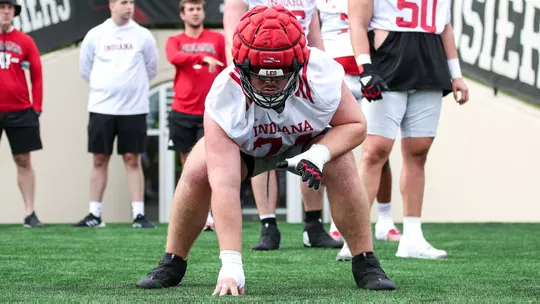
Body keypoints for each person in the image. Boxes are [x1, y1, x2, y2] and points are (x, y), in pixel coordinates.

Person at [136, 5, 396, 295]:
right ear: (241, 65)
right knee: (198, 170)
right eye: (260, 75)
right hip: (247, 148)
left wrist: (317, 155)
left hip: (306, 140)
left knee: (341, 162)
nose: (270, 83)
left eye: (279, 74)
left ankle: (365, 260)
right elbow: (224, 184)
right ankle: (173, 259)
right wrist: (231, 263)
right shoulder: (225, 94)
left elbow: (355, 124)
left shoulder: (320, 72)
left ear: (300, 64)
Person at [348, 0, 469, 259]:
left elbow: (443, 24)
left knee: (418, 152)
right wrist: (365, 67)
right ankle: (354, 237)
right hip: (388, 64)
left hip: (428, 63)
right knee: (374, 152)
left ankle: (412, 237)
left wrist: (456, 73)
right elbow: (357, 20)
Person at [223, 0, 342, 251]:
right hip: (259, 78)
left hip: (299, 79)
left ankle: (313, 224)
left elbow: (315, 40)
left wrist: (322, 80)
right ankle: (268, 225)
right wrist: (243, 85)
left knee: (313, 148)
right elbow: (232, 41)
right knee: (262, 145)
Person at [315, 0, 402, 261]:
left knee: (376, 150)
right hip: (332, 71)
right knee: (334, 151)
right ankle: (336, 223)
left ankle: (385, 219)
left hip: (369, 69)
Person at [74, 0, 159, 228]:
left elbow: (152, 68)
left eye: (131, 2)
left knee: (133, 159)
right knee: (99, 158)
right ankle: (94, 214)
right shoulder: (96, 35)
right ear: (112, 5)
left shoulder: (143, 36)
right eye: (123, 2)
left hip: (134, 109)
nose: (128, 6)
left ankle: (138, 215)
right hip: (102, 108)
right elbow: (85, 69)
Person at [165, 0, 226, 231]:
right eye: (190, 9)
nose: (195, 13)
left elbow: (225, 70)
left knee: (210, 164)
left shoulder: (217, 39)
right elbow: (175, 57)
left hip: (210, 112)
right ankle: (194, 215)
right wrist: (201, 58)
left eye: (198, 9)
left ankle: (212, 214)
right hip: (182, 110)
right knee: (187, 163)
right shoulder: (175, 41)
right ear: (182, 14)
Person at [0, 0, 44, 228]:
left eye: (9, 8)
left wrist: (37, 107)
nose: (5, 12)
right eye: (1, 7)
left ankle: (29, 212)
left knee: (23, 160)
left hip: (20, 111)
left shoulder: (25, 41)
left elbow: (37, 74)